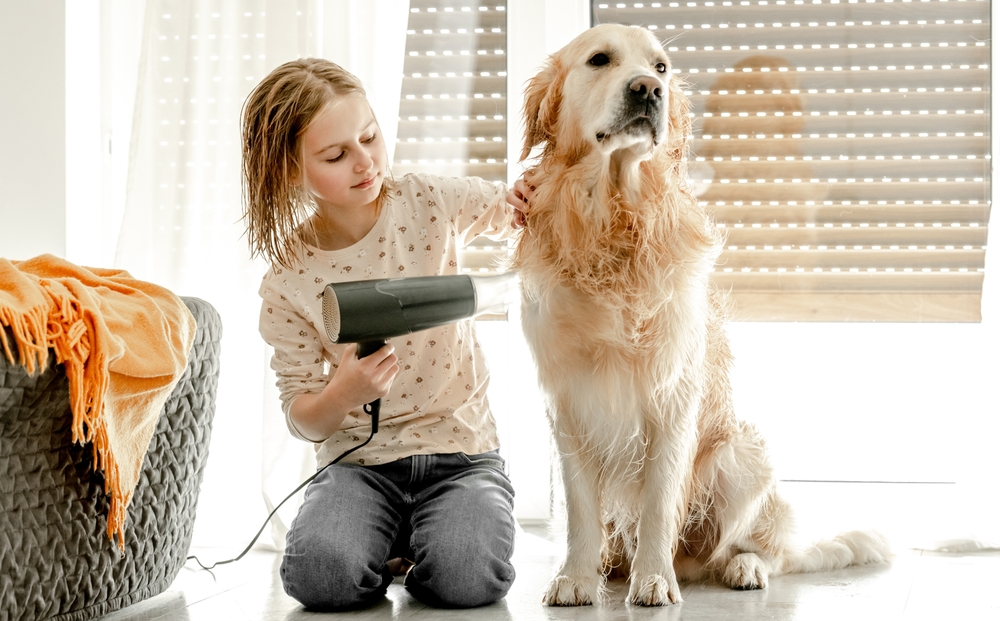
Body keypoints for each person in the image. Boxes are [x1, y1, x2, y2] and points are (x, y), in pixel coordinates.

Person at [241, 57, 531, 611]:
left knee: (469, 577)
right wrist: (342, 394)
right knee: (320, 578)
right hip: (358, 468)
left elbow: (510, 209)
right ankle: (390, 541)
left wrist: (532, 191)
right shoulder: (289, 279)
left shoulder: (427, 201)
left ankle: (429, 543)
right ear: (288, 172)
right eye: (336, 154)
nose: (365, 162)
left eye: (369, 136)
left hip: (460, 454)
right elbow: (302, 416)